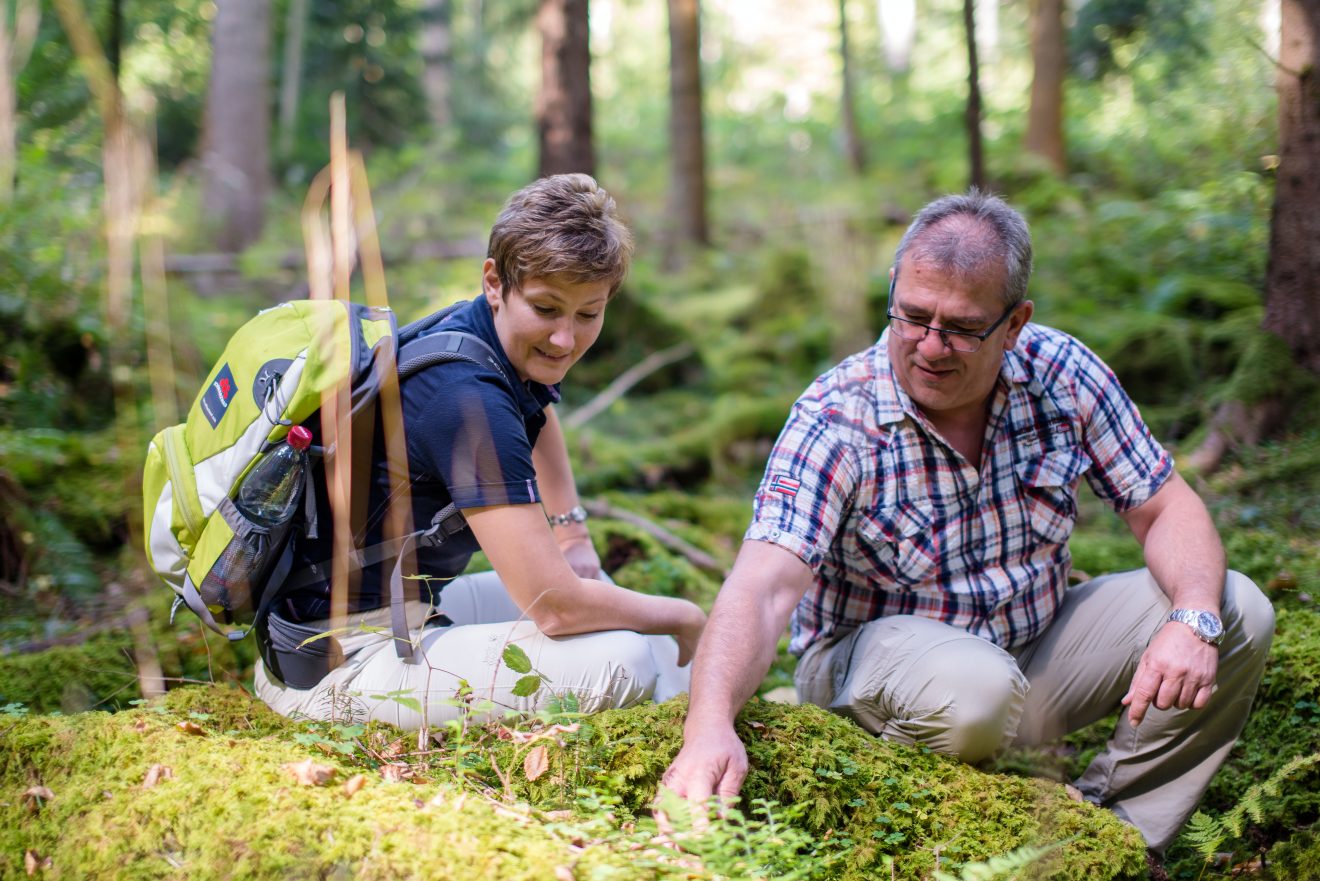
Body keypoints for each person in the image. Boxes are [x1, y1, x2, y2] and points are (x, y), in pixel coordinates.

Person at [660, 190, 1274, 856]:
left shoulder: (1063, 374)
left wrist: (1190, 618)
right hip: (874, 668)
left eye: (960, 326)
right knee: (976, 688)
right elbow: (762, 585)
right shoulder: (837, 417)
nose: (930, 345)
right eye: (913, 316)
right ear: (894, 290)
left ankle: (1109, 835)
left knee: (1235, 607)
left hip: (1032, 650)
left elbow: (1165, 506)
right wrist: (709, 724)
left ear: (1014, 324)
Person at [255, 173, 706, 728]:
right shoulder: (464, 397)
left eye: (588, 314)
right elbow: (555, 607)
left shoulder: (477, 335)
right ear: (495, 282)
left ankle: (698, 721)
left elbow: (536, 409)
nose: (565, 339)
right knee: (624, 655)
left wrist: (572, 531)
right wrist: (687, 616)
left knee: (606, 597)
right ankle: (687, 731)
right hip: (336, 663)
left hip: (402, 611)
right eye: (546, 309)